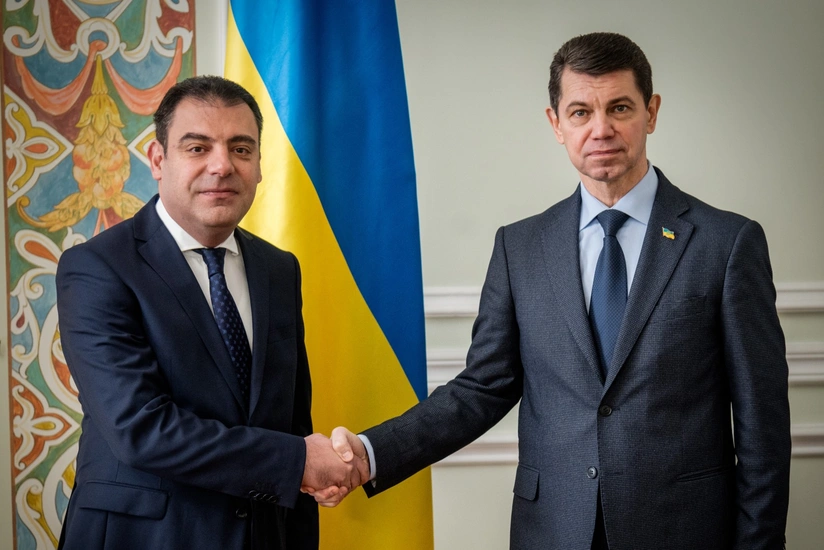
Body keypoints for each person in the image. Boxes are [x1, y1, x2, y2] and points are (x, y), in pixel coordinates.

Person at [321, 32, 791, 549]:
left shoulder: (727, 243)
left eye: (619, 108)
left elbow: (763, 424)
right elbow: (481, 388)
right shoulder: (519, 247)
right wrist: (369, 453)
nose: (601, 129)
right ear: (556, 124)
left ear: (651, 112)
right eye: (580, 112)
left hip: (683, 530)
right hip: (552, 530)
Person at [55, 76, 360, 550]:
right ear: (158, 160)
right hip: (144, 538)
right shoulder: (96, 267)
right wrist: (297, 462)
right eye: (197, 148)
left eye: (241, 149)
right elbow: (140, 428)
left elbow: (291, 422)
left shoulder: (280, 269)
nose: (222, 166)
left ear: (259, 166)